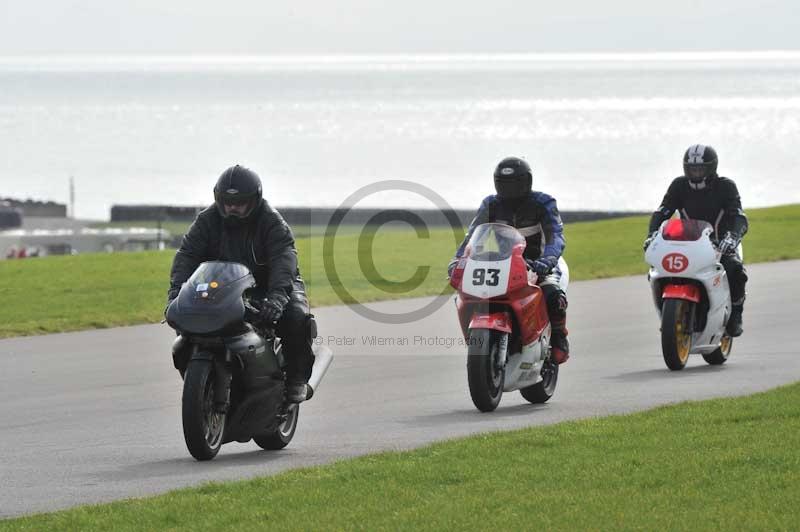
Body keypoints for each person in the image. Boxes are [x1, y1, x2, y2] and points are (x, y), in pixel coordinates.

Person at [167, 164, 316, 402]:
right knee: (188, 322)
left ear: (254, 200)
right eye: (227, 202)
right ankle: (202, 379)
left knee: (296, 316)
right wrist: (176, 293)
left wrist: (277, 297)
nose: (232, 208)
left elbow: (283, 261)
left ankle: (297, 378)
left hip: (270, 286)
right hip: (225, 285)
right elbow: (187, 256)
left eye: (239, 203)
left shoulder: (271, 223)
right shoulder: (206, 221)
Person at [449, 156, 570, 364]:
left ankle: (559, 337)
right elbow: (472, 236)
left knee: (553, 295)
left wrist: (548, 259)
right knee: (471, 292)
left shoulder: (544, 203)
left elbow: (556, 236)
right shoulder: (491, 204)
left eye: (516, 184)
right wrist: (459, 259)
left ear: (528, 182)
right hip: (504, 263)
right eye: (504, 184)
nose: (510, 190)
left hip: (542, 262)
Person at [644, 144, 748, 337]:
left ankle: (736, 315)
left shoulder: (726, 186)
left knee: (735, 270)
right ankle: (668, 310)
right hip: (688, 242)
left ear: (711, 168)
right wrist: (652, 234)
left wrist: (732, 238)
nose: (696, 173)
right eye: (692, 169)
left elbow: (738, 216)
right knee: (658, 270)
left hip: (720, 243)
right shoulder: (679, 186)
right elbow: (663, 211)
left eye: (700, 168)